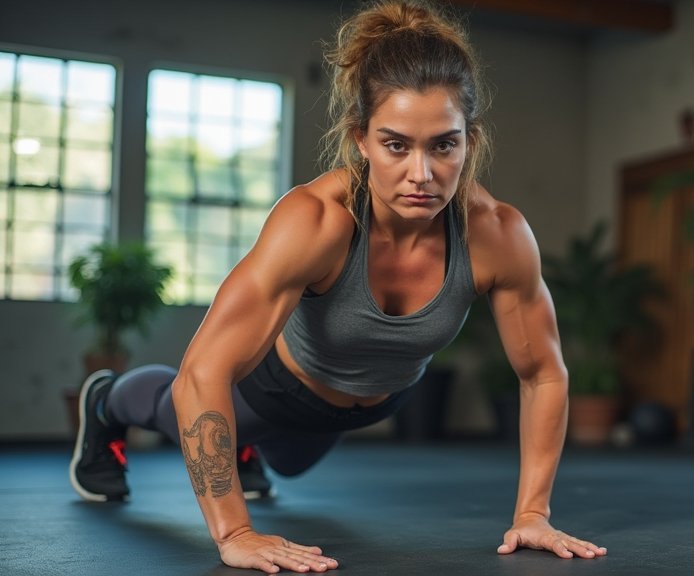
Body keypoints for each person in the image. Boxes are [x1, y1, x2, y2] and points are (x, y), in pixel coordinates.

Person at [69, 0, 607, 572]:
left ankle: (246, 447)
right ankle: (106, 400)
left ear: (469, 141)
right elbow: (204, 374)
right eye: (396, 144)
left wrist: (532, 513)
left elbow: (543, 372)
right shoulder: (316, 221)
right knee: (172, 407)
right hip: (279, 387)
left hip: (377, 397)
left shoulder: (498, 234)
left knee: (291, 465)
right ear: (362, 140)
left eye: (443, 145)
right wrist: (234, 533)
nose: (422, 174)